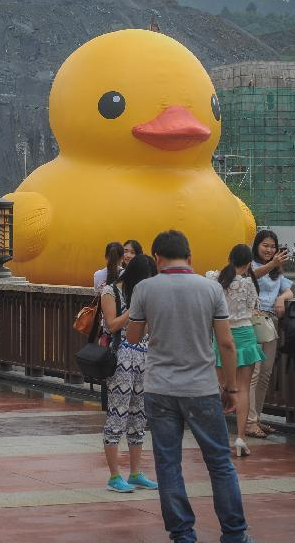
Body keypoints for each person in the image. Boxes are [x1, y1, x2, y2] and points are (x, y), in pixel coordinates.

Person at [126, 230, 254, 543]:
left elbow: (131, 336)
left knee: (168, 464)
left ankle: (182, 534)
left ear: (157, 259)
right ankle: (234, 534)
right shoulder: (210, 288)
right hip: (202, 387)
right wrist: (231, 388)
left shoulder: (145, 288)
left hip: (160, 389)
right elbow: (226, 342)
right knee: (220, 463)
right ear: (190, 257)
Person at [99, 254, 158, 493]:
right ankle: (114, 476)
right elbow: (112, 325)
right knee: (117, 414)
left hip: (143, 357)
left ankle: (135, 472)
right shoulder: (110, 292)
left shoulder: (141, 294)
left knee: (138, 416)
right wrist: (135, 309)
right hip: (120, 358)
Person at [206, 244, 265, 457]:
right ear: (249, 262)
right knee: (242, 388)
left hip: (222, 337)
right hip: (245, 336)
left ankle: (217, 436)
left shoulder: (215, 279)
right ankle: (240, 437)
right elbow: (253, 308)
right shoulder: (249, 284)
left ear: (230, 258)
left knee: (221, 387)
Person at [246, 230, 292, 439]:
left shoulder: (276, 271)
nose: (269, 249)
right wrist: (272, 264)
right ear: (256, 246)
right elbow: (251, 277)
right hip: (253, 321)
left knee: (265, 374)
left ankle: (257, 418)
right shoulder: (252, 265)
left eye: (273, 246)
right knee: (253, 373)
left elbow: (289, 290)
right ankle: (249, 421)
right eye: (265, 245)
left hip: (271, 322)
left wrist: (282, 298)